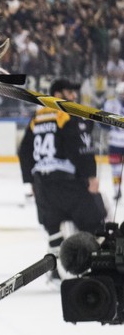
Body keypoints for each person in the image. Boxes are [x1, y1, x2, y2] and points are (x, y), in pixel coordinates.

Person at [18, 77, 106, 283]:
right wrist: (91, 176)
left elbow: (24, 151)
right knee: (94, 222)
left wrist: (29, 180)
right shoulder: (66, 115)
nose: (74, 96)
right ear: (57, 95)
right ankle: (94, 268)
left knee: (53, 229)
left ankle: (56, 271)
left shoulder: (37, 117)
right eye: (69, 92)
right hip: (68, 183)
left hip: (43, 185)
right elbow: (79, 147)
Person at [101, 81, 124, 200]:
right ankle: (117, 190)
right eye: (121, 94)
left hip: (116, 142)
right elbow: (103, 123)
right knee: (116, 169)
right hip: (115, 142)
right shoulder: (110, 104)